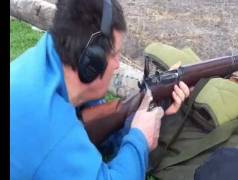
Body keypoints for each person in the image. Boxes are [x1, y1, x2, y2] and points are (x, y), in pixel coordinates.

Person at [10, 0, 190, 179]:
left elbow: (94, 124)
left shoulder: (44, 55)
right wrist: (140, 139)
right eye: (116, 55)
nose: (118, 65)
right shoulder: (55, 133)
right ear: (92, 63)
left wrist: (149, 108)